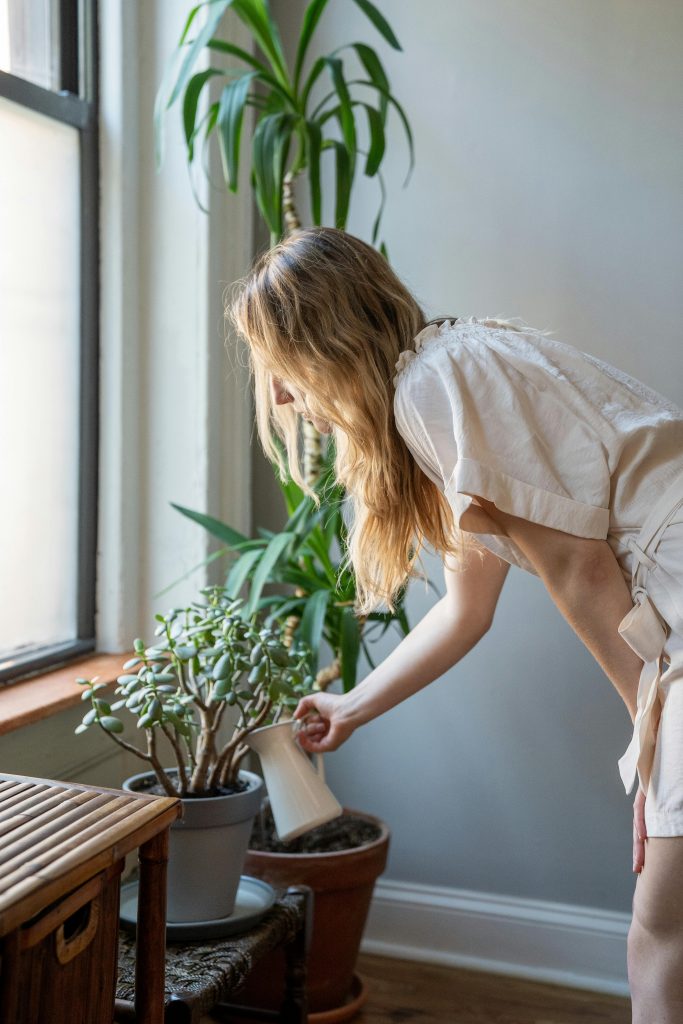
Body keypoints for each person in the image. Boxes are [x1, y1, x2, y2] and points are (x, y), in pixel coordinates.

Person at [229, 225, 683, 1020]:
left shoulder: (435, 388)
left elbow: (580, 569)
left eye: (281, 365)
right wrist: (352, 705)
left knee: (660, 930)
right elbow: (465, 608)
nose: (276, 397)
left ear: (330, 339)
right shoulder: (447, 376)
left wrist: (643, 754)